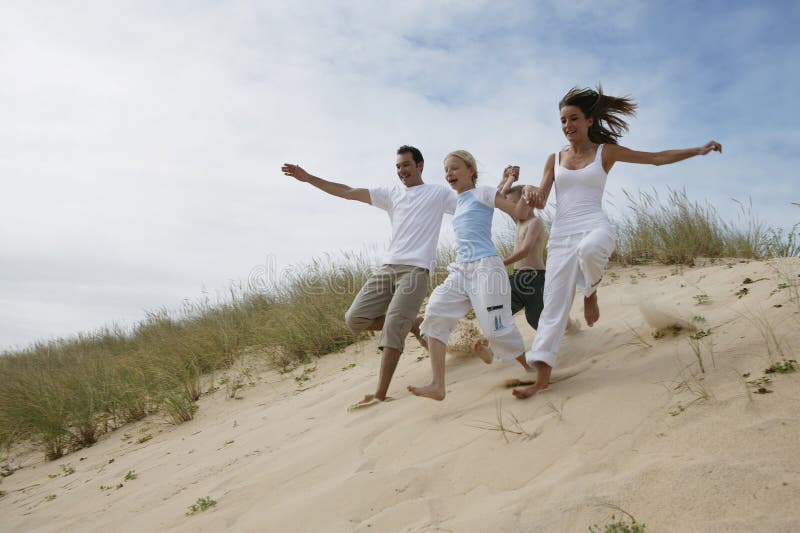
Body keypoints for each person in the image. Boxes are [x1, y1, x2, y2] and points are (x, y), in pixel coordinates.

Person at [512, 85, 722, 399]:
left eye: (574, 119)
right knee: (553, 309)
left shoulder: (605, 152)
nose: (568, 126)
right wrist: (529, 190)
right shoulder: (554, 159)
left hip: (594, 225)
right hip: (561, 237)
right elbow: (540, 200)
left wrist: (697, 150)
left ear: (589, 121)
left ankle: (591, 292)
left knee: (591, 249)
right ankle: (541, 379)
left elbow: (655, 159)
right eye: (563, 121)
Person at [281, 146, 456, 408]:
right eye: (398, 166)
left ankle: (380, 393)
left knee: (393, 325)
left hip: (416, 270)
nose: (401, 171)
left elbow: (469, 203)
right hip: (389, 268)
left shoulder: (438, 193)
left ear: (419, 166)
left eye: (406, 165)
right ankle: (413, 323)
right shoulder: (391, 194)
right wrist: (309, 178)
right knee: (355, 319)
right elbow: (347, 192)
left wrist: (504, 187)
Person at [407, 150, 534, 401]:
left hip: (486, 267)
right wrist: (506, 179)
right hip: (461, 270)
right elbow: (481, 197)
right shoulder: (460, 201)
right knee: (434, 313)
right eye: (446, 170)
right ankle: (438, 385)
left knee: (496, 328)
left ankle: (531, 369)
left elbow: (516, 213)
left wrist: (526, 190)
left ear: (470, 170)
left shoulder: (484, 192)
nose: (448, 174)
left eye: (454, 168)